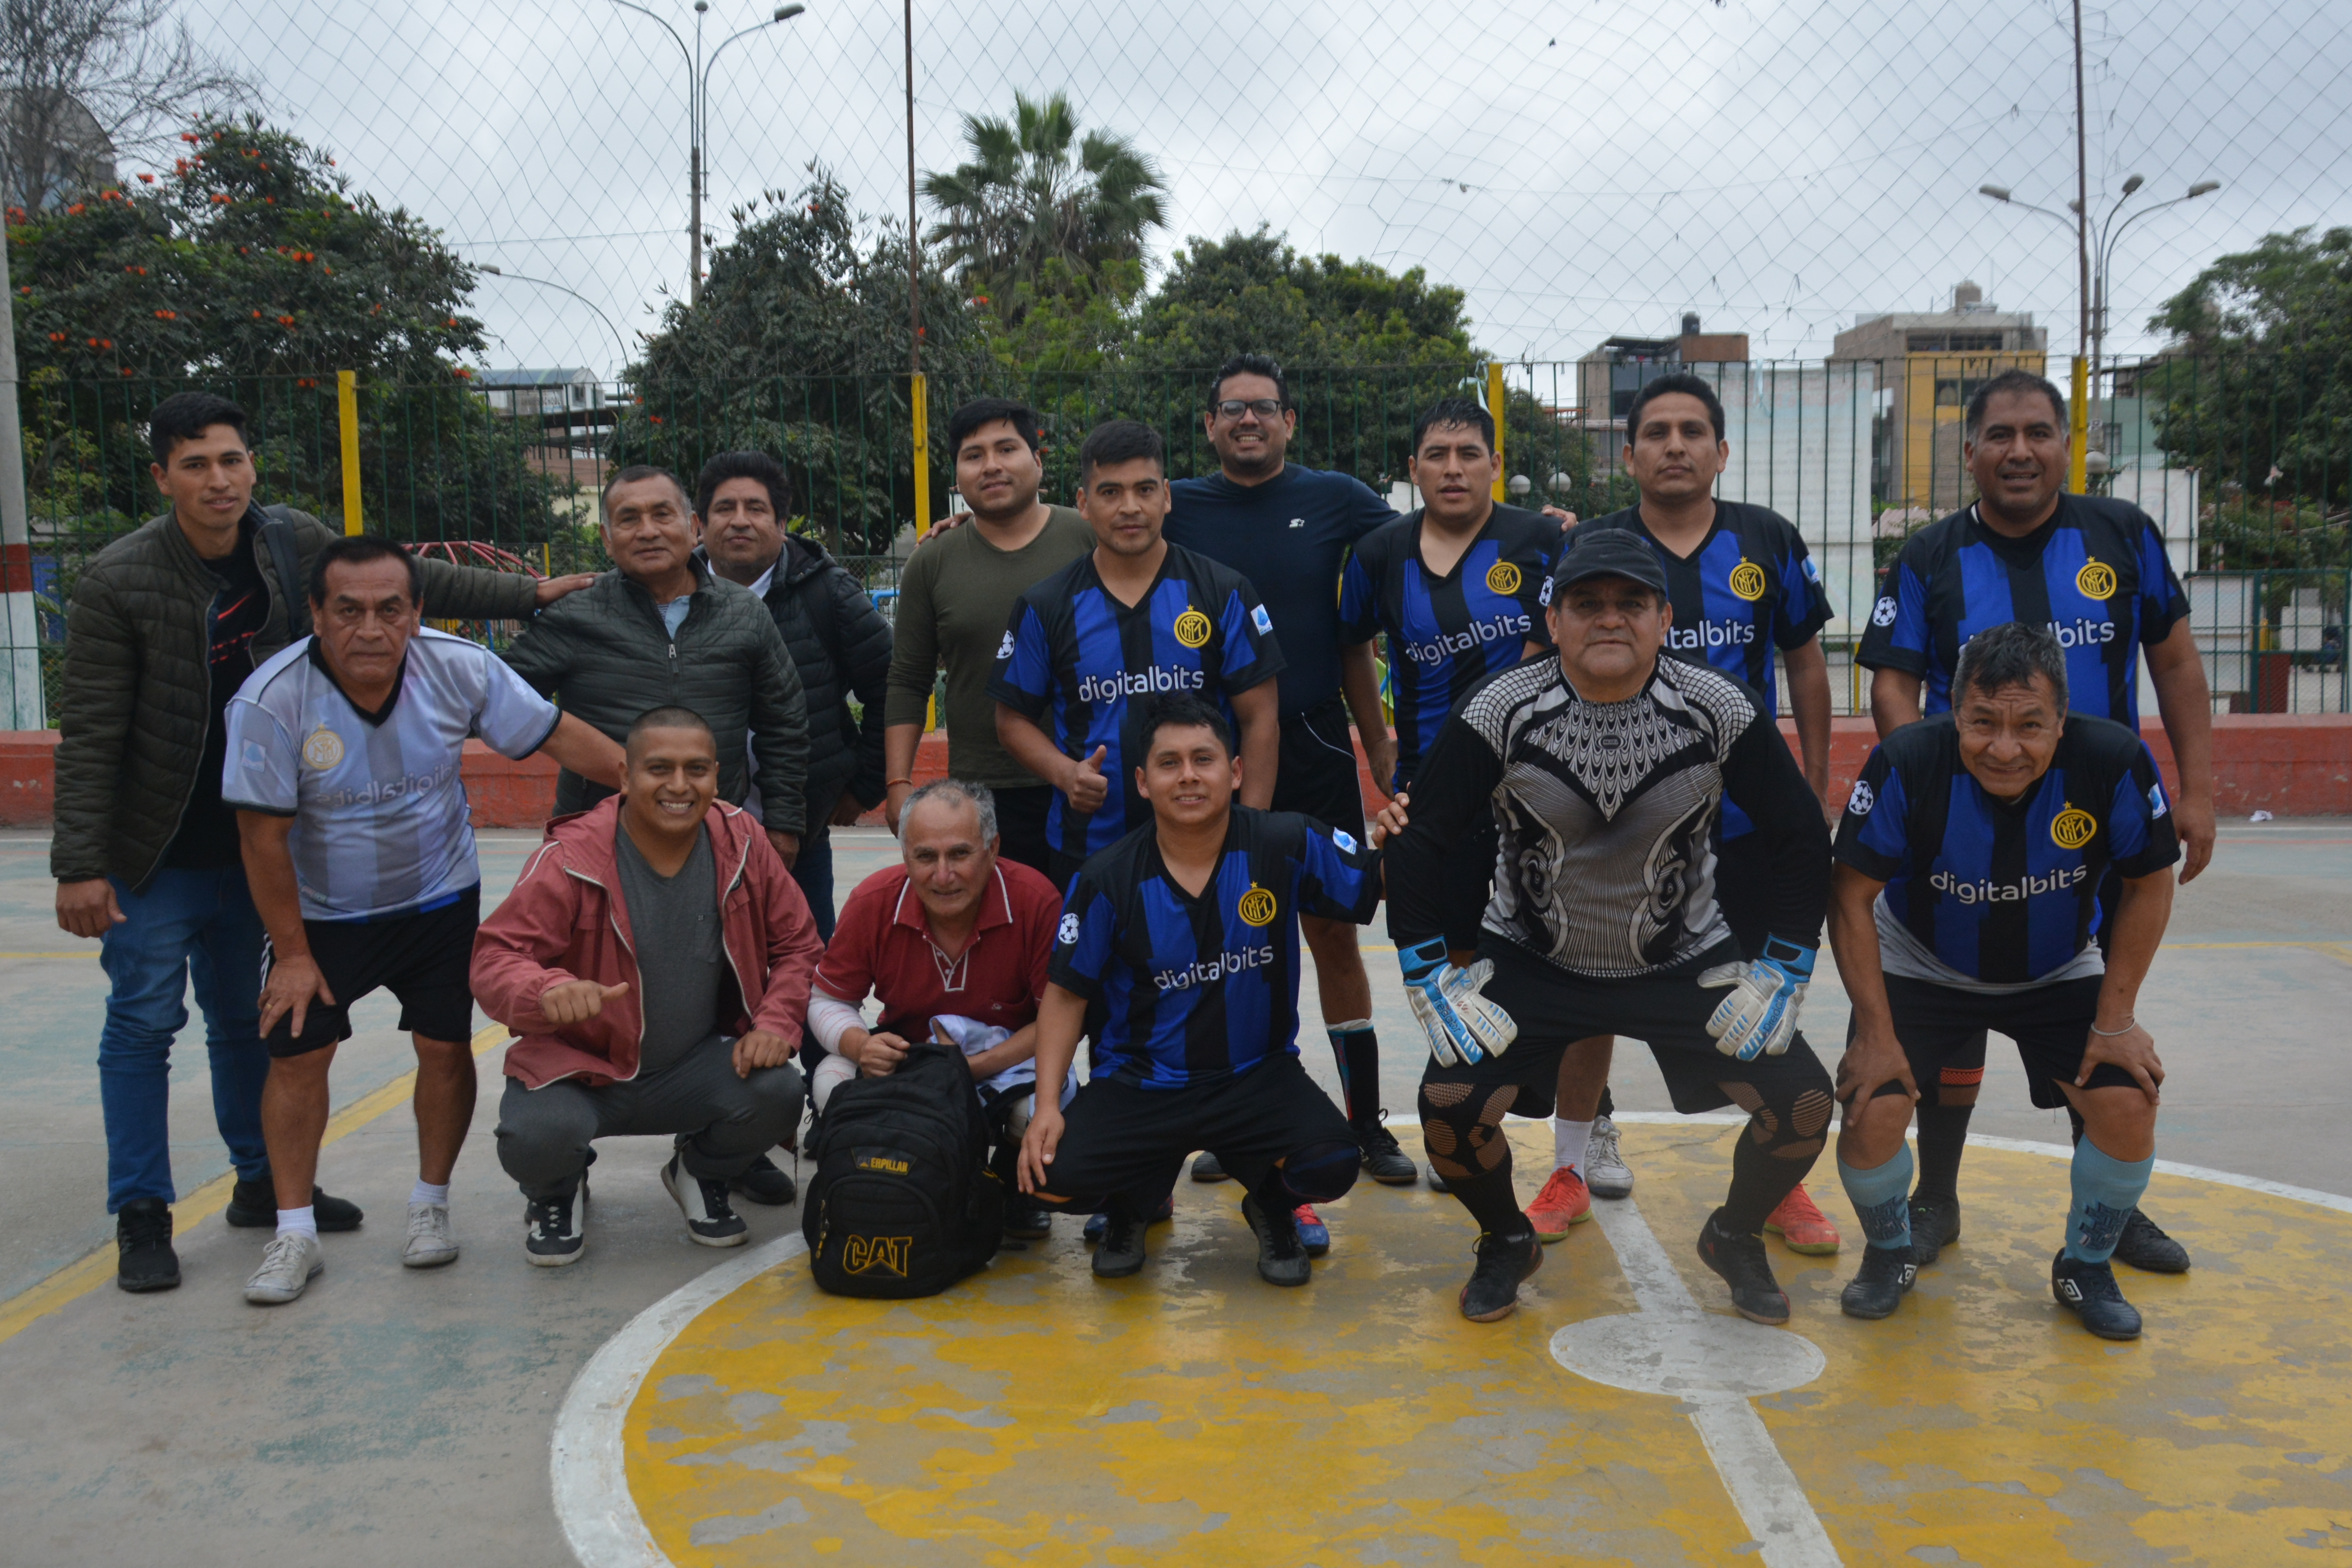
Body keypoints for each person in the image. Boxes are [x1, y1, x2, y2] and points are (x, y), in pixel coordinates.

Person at [53, 391, 593, 1294]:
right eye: (194, 465)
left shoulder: (287, 540)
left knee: (252, 1027)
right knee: (145, 1025)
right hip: (163, 840)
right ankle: (143, 1210)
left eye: (230, 460)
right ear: (164, 478)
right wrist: (80, 861)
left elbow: (405, 578)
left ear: (250, 465)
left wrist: (527, 592)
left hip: (271, 846)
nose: (218, 480)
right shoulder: (121, 579)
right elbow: (95, 727)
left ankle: (264, 1188)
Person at [1380, 530, 1834, 1323]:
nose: (1610, 620)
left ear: (1664, 619)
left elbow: (1800, 836)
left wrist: (1788, 964)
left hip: (1682, 957)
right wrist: (1426, 973)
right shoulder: (1500, 708)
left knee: (1802, 1104)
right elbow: (1422, 842)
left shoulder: (1719, 707)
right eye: (1587, 604)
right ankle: (1503, 1239)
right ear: (1552, 620)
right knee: (1448, 1108)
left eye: (1632, 603)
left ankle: (1734, 1235)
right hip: (1531, 958)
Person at [1858, 367, 2210, 1276]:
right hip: (1958, 827)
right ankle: (1935, 1197)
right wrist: (1929, 788)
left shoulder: (2123, 535)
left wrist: (2200, 790)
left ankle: (2109, 1217)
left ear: (2066, 445)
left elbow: (2173, 661)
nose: (2020, 451)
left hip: (2087, 827)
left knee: (2099, 1008)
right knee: (1949, 1003)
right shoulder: (1930, 557)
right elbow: (1893, 681)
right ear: (1970, 451)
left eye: (2039, 433)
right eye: (2001, 435)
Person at [223, 537, 625, 1304]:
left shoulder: (459, 667)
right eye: (348, 611)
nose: (369, 629)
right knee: (299, 1060)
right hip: (322, 916)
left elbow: (555, 734)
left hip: (439, 898)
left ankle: (429, 1207)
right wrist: (294, 955)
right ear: (315, 614)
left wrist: (653, 782)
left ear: (416, 613)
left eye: (389, 610)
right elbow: (260, 839)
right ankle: (295, 1231)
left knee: (443, 1050)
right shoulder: (270, 701)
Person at [1829, 621, 2178, 1338]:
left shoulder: (2111, 759)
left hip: (2056, 969)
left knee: (2128, 1105)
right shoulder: (1906, 761)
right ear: (1954, 712)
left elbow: (2151, 883)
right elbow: (1850, 896)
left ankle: (2085, 1266)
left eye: (2030, 726)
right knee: (1872, 1109)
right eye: (1982, 723)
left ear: (2062, 720)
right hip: (1917, 961)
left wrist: (2115, 1019)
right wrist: (1874, 1031)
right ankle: (1891, 1251)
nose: (2005, 748)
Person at [1577, 370, 1843, 1256]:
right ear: (1630, 454)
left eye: (1694, 431)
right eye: (1657, 432)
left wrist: (1808, 780)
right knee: (1594, 997)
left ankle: (1776, 1181)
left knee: (1766, 993)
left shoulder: (1766, 539)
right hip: (1622, 825)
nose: (1676, 445)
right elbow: (1557, 661)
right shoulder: (1598, 546)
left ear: (1722, 452)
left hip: (1744, 827)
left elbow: (1805, 662)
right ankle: (1577, 1157)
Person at [1017, 695, 1380, 1285]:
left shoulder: (1283, 843)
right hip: (1142, 1084)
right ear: (1141, 781)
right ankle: (1134, 1201)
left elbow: (1378, 880)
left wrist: (1408, 833)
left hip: (1254, 1077)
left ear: (1235, 771)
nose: (1188, 775)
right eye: (1169, 762)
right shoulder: (1107, 877)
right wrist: (1049, 1106)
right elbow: (1065, 995)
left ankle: (1270, 1200)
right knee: (1047, 1181)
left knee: (1333, 1163)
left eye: (1204, 759)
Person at [1165, 354, 1419, 1188]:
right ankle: (1230, 1120)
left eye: (1264, 408)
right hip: (1209, 756)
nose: (1248, 421)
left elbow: (1434, 535)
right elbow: (1086, 522)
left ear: (1289, 422)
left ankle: (1366, 1126)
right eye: (1232, 408)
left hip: (1311, 748)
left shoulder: (1337, 498)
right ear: (1210, 425)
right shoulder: (1176, 504)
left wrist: (1542, 527)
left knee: (1334, 933)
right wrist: (962, 526)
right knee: (1225, 940)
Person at [470, 708, 821, 1266]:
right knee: (535, 1136)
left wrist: (776, 1021)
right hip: (583, 1068)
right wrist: (545, 989)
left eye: (696, 769)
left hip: (693, 1065)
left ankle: (699, 1171)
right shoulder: (571, 856)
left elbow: (799, 945)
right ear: (625, 775)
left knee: (779, 1090)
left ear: (717, 774)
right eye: (659, 768)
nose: (679, 786)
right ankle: (557, 1191)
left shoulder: (744, 843)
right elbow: (496, 956)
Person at [1337, 396, 1569, 1206]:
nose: (1453, 467)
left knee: (1554, 955)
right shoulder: (1378, 553)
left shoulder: (1539, 540)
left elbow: (1555, 647)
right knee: (1451, 966)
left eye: (1469, 452)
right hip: (1432, 791)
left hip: (1534, 786)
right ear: (1413, 470)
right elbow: (1353, 651)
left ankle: (1582, 1121)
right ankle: (1472, 1128)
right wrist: (1381, 750)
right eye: (1436, 454)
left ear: (1495, 464)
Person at [990, 417, 1284, 890]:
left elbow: (1261, 719)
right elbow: (1010, 719)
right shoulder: (1046, 606)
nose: (1131, 507)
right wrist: (1066, 774)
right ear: (1084, 504)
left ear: (1166, 496)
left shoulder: (1222, 592)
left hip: (1210, 848)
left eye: (1145, 490)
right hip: (1088, 850)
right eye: (1110, 492)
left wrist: (1248, 831)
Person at [502, 464, 811, 867]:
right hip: (599, 841)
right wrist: (518, 596)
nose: (648, 531)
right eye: (629, 519)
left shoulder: (744, 613)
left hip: (715, 835)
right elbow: (496, 697)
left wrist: (783, 826)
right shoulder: (574, 615)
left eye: (662, 515)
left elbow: (785, 724)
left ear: (693, 526)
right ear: (607, 540)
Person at [804, 779, 1063, 1239]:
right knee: (829, 1080)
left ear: (993, 847)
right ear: (905, 855)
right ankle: (873, 1181)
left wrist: (977, 1067)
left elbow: (1060, 1021)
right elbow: (827, 999)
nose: (943, 875)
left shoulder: (1036, 900)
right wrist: (862, 1045)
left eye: (960, 854)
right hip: (910, 1058)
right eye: (925, 857)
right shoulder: (873, 901)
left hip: (1001, 1062)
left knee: (1043, 1098)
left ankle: (1011, 1185)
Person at [884, 398, 1096, 875]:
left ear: (1038, 462)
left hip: (1090, 779)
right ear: (957, 475)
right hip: (981, 791)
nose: (992, 465)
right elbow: (908, 679)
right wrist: (898, 781)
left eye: (1007, 448)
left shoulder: (1088, 538)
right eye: (974, 455)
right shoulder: (933, 560)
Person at [698, 449, 893, 942]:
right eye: (725, 508)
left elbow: (892, 688)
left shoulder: (827, 593)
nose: (740, 521)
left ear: (782, 523)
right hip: (691, 833)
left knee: (804, 972)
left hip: (799, 837)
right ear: (700, 524)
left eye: (756, 508)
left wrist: (861, 786)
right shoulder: (672, 594)